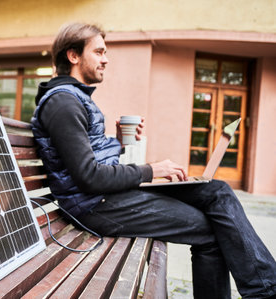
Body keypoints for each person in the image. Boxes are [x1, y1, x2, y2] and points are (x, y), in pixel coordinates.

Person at [31, 23, 276, 299]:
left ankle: (266, 287)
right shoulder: (63, 103)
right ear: (73, 56)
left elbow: (85, 160)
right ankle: (265, 290)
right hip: (94, 206)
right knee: (209, 232)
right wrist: (152, 170)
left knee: (216, 190)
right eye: (99, 52)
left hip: (104, 196)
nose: (106, 59)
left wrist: (119, 142)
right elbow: (88, 176)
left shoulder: (72, 99)